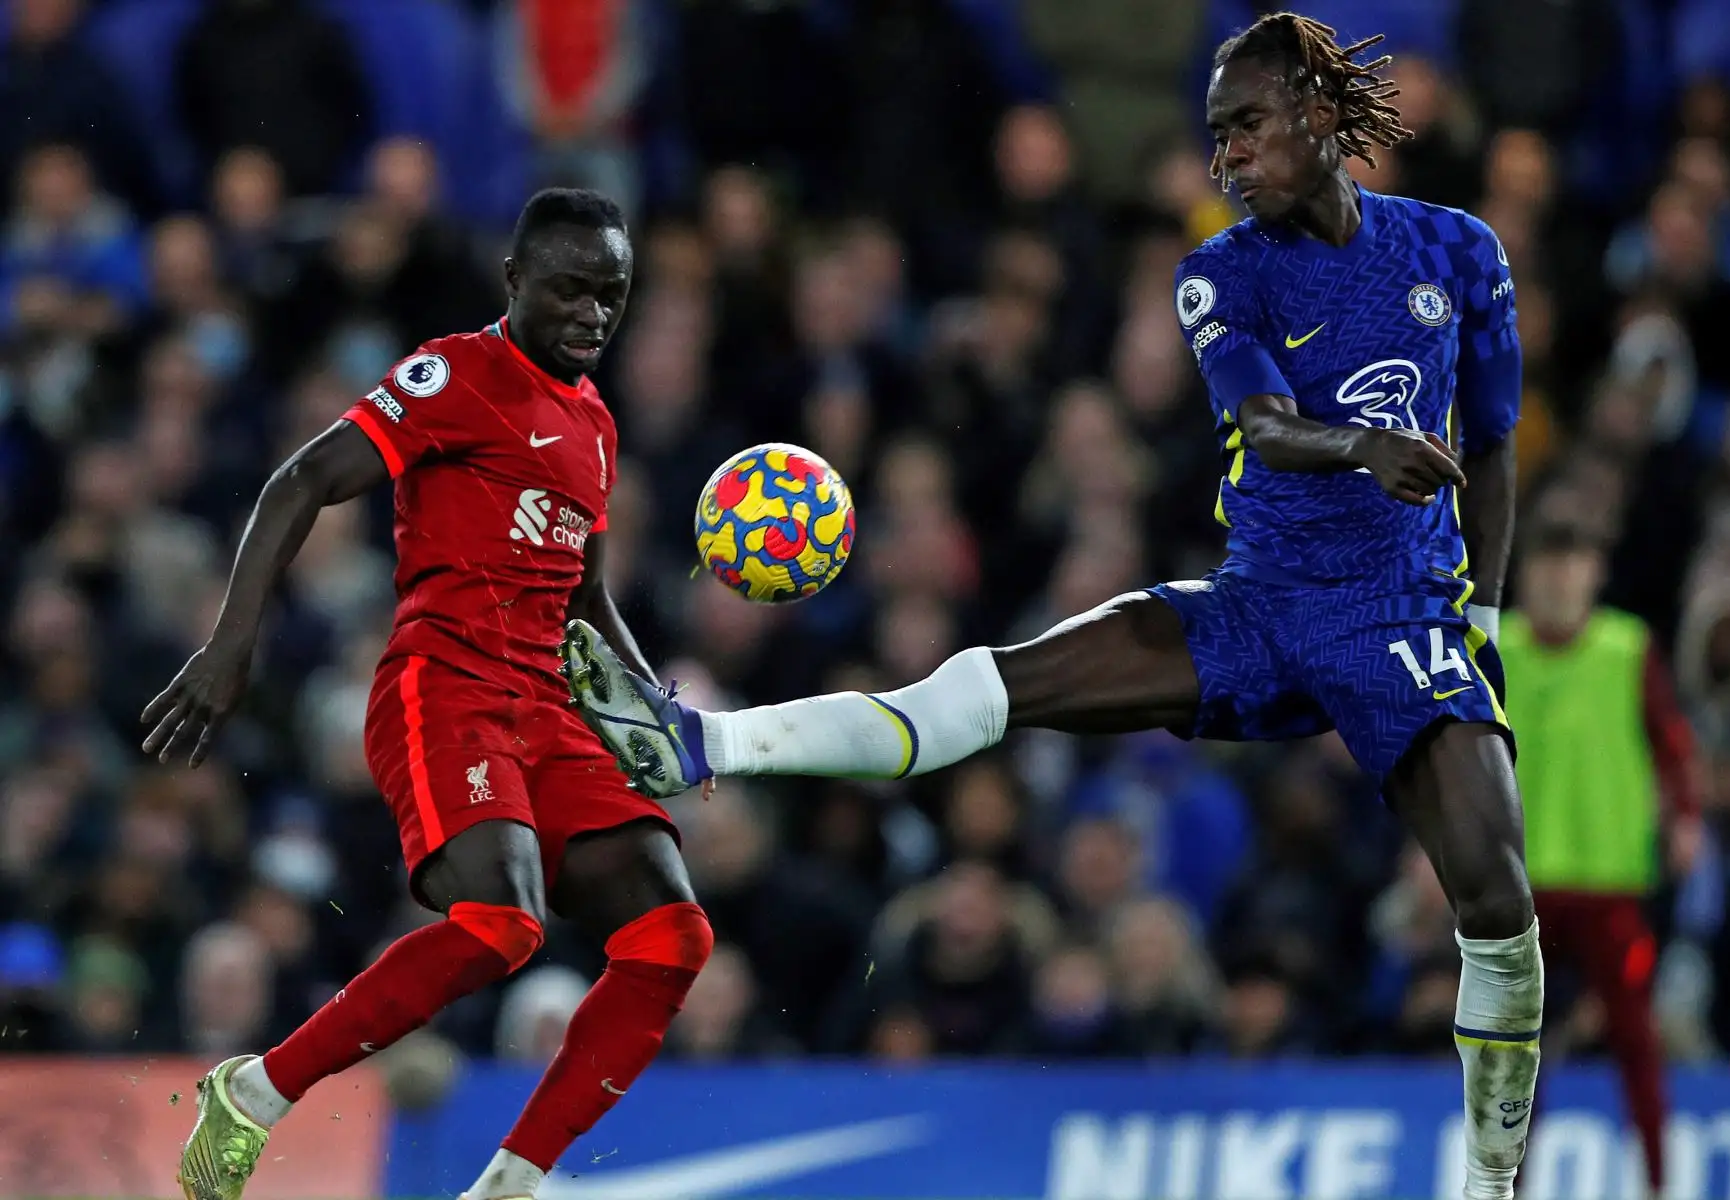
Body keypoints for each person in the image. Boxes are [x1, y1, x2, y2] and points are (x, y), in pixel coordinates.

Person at [567, 14, 1542, 1200]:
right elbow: (1266, 428)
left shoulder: (1457, 252)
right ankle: (702, 741)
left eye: (1246, 127)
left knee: (1496, 903)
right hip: (1261, 602)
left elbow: (1490, 449)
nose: (1227, 157)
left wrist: (1478, 629)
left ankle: (1495, 1181)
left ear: (1322, 119)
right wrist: (1359, 446)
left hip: (1397, 618)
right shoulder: (1218, 271)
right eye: (1214, 135)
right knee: (996, 683)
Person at [142, 189, 713, 1200]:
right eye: (570, 289)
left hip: (546, 706)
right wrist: (232, 646)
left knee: (674, 934)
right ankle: (259, 1093)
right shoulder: (457, 373)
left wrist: (650, 709)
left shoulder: (596, 426)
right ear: (514, 281)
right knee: (504, 925)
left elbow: (586, 594)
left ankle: (513, 1179)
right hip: (443, 686)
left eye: (611, 297)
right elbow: (301, 479)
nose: (592, 314)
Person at [1504, 509, 1698, 1196]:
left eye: (1573, 565)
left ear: (1596, 574)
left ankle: (1657, 1179)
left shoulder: (1626, 649)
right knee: (1515, 1058)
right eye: (1547, 567)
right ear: (1524, 574)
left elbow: (1670, 739)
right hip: (1523, 888)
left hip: (1609, 884)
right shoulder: (1498, 651)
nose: (1559, 582)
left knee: (1637, 1046)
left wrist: (1685, 816)